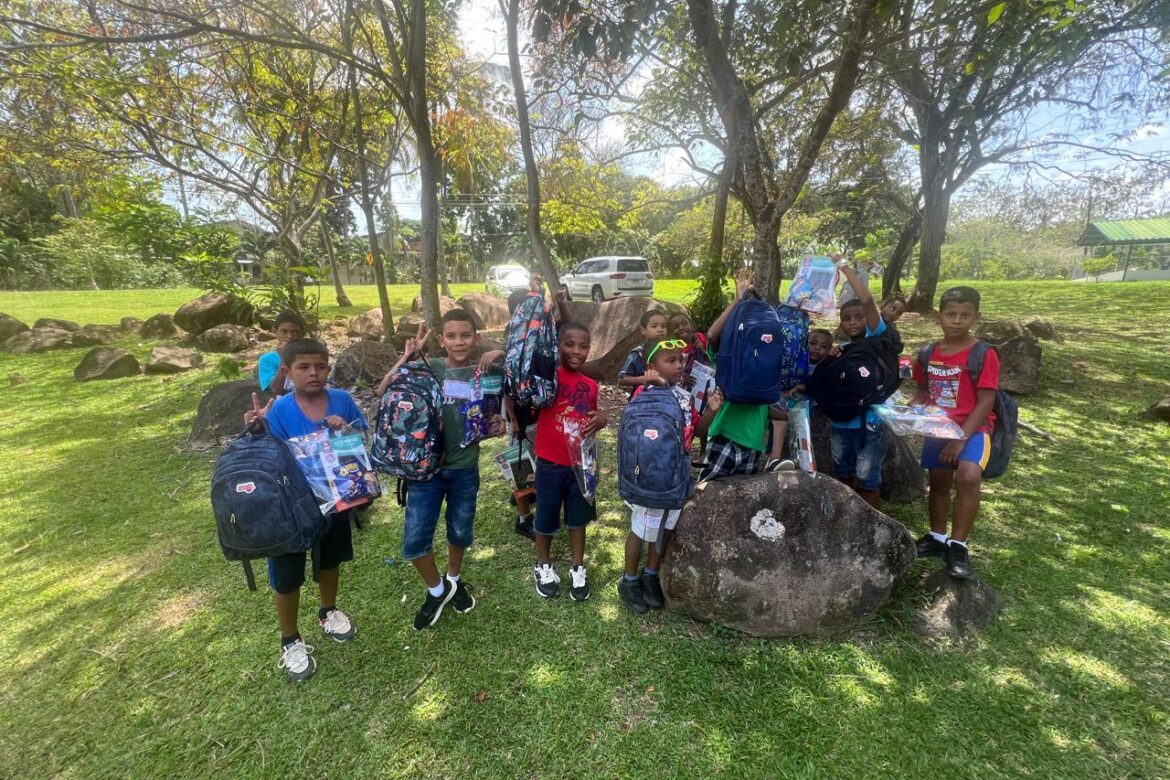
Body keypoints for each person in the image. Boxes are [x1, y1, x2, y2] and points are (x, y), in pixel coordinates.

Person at [243, 338, 365, 682]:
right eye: (304, 367)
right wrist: (254, 429)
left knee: (330, 559)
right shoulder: (280, 410)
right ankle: (290, 638)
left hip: (335, 501)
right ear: (288, 372)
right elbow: (266, 454)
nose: (314, 373)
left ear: (329, 367)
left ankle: (328, 610)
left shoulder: (341, 399)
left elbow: (361, 439)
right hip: (290, 508)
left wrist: (347, 428)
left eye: (321, 366)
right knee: (287, 573)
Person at [377, 310, 505, 630]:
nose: (459, 341)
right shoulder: (430, 368)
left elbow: (502, 399)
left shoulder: (484, 372)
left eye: (466, 335)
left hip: (465, 470)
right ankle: (438, 591)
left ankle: (454, 578)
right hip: (425, 472)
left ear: (476, 337)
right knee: (415, 541)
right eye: (451, 336)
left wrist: (499, 351)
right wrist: (405, 357)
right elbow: (384, 390)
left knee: (460, 531)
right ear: (441, 340)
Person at [619, 337, 721, 613]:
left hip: (677, 473)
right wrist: (656, 383)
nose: (679, 365)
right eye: (670, 361)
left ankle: (651, 573)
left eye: (680, 360)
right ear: (652, 366)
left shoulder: (685, 397)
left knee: (665, 527)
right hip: (650, 476)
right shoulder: (644, 392)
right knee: (641, 528)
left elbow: (698, 432)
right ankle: (629, 579)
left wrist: (711, 411)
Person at [909, 286, 999, 579]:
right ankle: (936, 537)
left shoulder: (984, 353)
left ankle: (958, 546)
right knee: (938, 483)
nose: (957, 320)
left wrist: (960, 440)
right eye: (951, 314)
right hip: (938, 428)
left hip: (972, 429)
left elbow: (986, 401)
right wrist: (908, 411)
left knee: (969, 476)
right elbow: (923, 391)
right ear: (939, 317)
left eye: (965, 315)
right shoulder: (928, 353)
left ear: (976, 317)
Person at [531, 317, 607, 601]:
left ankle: (577, 567)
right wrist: (496, 354)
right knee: (546, 516)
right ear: (557, 346)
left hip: (581, 465)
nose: (576, 351)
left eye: (583, 346)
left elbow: (595, 415)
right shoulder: (547, 377)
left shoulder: (590, 384)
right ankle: (544, 565)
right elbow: (521, 363)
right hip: (550, 463)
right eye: (569, 344)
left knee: (578, 519)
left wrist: (602, 418)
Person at [829, 261, 891, 507]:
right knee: (843, 473)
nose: (853, 322)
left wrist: (845, 269)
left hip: (869, 424)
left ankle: (870, 522)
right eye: (846, 319)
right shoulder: (842, 350)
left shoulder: (875, 337)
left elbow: (866, 301)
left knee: (868, 479)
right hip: (840, 422)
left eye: (859, 318)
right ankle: (850, 517)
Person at [698, 274, 771, 481]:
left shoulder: (758, 359)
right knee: (718, 493)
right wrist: (740, 299)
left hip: (740, 438)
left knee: (725, 495)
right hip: (738, 437)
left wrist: (745, 299)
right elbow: (712, 336)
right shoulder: (735, 356)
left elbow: (711, 335)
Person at [617, 309, 669, 396]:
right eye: (654, 326)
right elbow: (622, 379)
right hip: (643, 400)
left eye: (663, 326)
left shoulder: (670, 350)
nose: (660, 330)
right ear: (643, 330)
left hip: (666, 398)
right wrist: (642, 379)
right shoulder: (639, 353)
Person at [257, 311, 306, 395]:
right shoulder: (267, 360)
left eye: (295, 332)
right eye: (284, 331)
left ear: (302, 333)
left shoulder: (310, 355)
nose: (290, 336)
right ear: (275, 331)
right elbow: (275, 390)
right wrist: (284, 358)